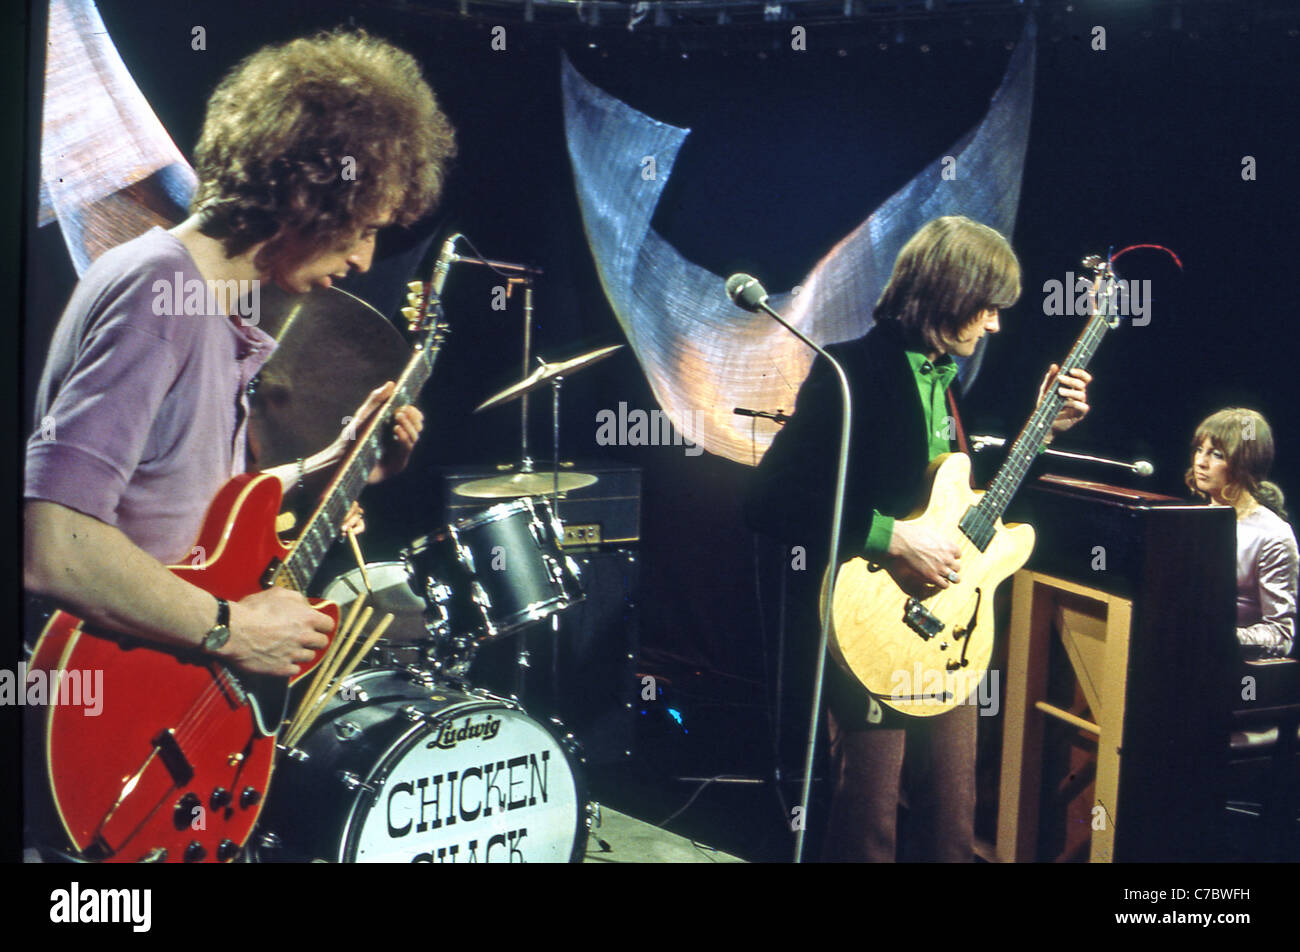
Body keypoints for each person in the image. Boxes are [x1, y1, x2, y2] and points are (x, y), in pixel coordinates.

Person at [24, 30, 457, 679]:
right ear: (306, 196)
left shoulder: (207, 306)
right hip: (110, 698)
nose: (364, 260)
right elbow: (55, 542)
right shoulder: (159, 295)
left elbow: (177, 509)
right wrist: (231, 629)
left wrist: (328, 467)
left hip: (158, 691)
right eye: (363, 229)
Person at [745, 215, 1092, 862]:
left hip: (946, 631)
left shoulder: (946, 380)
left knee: (952, 824)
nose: (995, 324)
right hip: (870, 620)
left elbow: (964, 504)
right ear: (950, 293)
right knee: (868, 825)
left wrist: (1045, 428)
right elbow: (770, 501)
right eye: (988, 307)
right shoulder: (852, 372)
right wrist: (892, 539)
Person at [1186, 408, 1297, 659]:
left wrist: (1216, 637)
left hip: (1227, 667)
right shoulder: (1186, 520)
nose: (1201, 462)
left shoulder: (1273, 535)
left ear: (1244, 463)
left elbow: (1279, 633)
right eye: (1199, 450)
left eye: (1216, 454)